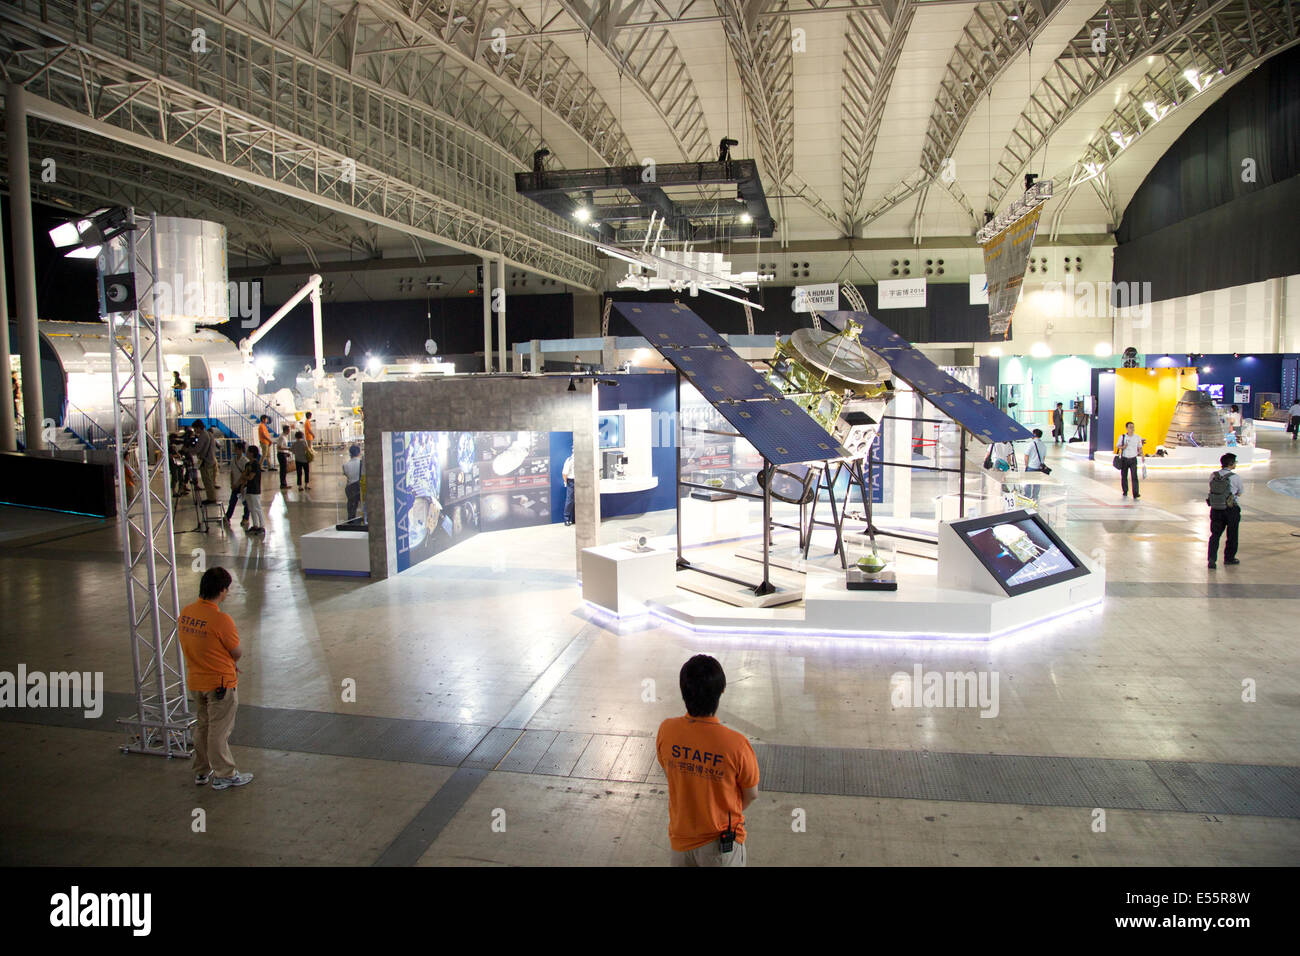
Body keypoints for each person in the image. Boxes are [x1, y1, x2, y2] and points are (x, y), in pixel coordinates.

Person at [656, 655, 760, 867]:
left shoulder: (667, 731)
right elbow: (751, 794)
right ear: (721, 691)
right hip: (721, 847)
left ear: (683, 691)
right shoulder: (736, 745)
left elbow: (672, 775)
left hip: (680, 843)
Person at [178, 567, 254, 790]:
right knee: (219, 731)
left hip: (196, 681)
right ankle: (225, 774)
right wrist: (229, 663)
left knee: (203, 726)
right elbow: (237, 651)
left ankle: (202, 770)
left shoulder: (187, 613)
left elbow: (199, 646)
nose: (228, 593)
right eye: (227, 589)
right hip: (219, 684)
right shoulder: (221, 619)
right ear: (221, 590)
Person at [1206, 452, 1243, 569]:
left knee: (1215, 535)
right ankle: (1229, 558)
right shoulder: (1235, 477)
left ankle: (1212, 559)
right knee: (1232, 534)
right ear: (1231, 464)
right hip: (1231, 509)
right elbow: (1240, 492)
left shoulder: (1213, 475)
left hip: (1216, 508)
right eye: (1235, 462)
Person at [239, 446, 266, 535]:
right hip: (248, 489)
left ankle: (262, 526)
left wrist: (245, 477)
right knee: (251, 508)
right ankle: (255, 525)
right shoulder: (247, 464)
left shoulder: (255, 464)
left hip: (255, 489)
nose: (246, 453)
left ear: (252, 453)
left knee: (257, 507)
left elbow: (250, 477)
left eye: (248, 451)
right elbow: (245, 476)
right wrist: (242, 486)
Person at [1115, 421, 1145, 499]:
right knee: (1124, 475)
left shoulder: (1137, 437)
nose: (1132, 429)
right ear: (1127, 428)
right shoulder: (1122, 437)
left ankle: (1136, 493)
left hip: (1133, 459)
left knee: (1134, 476)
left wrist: (1142, 455)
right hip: (1124, 458)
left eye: (1133, 427)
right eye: (1130, 427)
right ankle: (1125, 491)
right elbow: (1117, 445)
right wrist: (1123, 447)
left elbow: (1140, 447)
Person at [223, 441, 250, 525]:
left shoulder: (245, 461)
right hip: (235, 485)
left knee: (245, 502)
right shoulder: (233, 459)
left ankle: (246, 518)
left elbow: (244, 474)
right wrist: (232, 483)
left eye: (236, 448)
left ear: (241, 450)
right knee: (232, 501)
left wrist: (240, 484)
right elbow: (232, 472)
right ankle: (227, 517)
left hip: (242, 485)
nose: (234, 450)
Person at [193, 420, 218, 503]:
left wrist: (189, 450)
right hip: (211, 460)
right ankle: (212, 497)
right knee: (210, 480)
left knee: (207, 481)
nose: (195, 431)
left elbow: (197, 449)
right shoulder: (209, 434)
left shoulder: (203, 436)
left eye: (195, 429)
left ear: (199, 427)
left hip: (206, 461)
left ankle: (211, 498)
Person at [342, 444, 363, 520]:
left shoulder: (345, 465)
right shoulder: (361, 463)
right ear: (359, 453)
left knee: (351, 505)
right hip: (359, 487)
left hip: (350, 487)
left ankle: (351, 519)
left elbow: (346, 474)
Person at [562, 452, 575, 525]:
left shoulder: (581, 459)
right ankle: (566, 519)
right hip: (571, 481)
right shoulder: (570, 460)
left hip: (580, 480)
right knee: (569, 500)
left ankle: (575, 519)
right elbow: (564, 473)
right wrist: (566, 482)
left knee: (579, 501)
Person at [276, 424, 291, 488]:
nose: (289, 431)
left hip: (284, 453)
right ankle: (283, 484)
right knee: (283, 470)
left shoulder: (285, 436)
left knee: (284, 470)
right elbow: (279, 447)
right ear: (286, 430)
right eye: (288, 430)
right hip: (281, 454)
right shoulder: (282, 437)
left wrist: (287, 452)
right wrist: (287, 449)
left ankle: (284, 483)